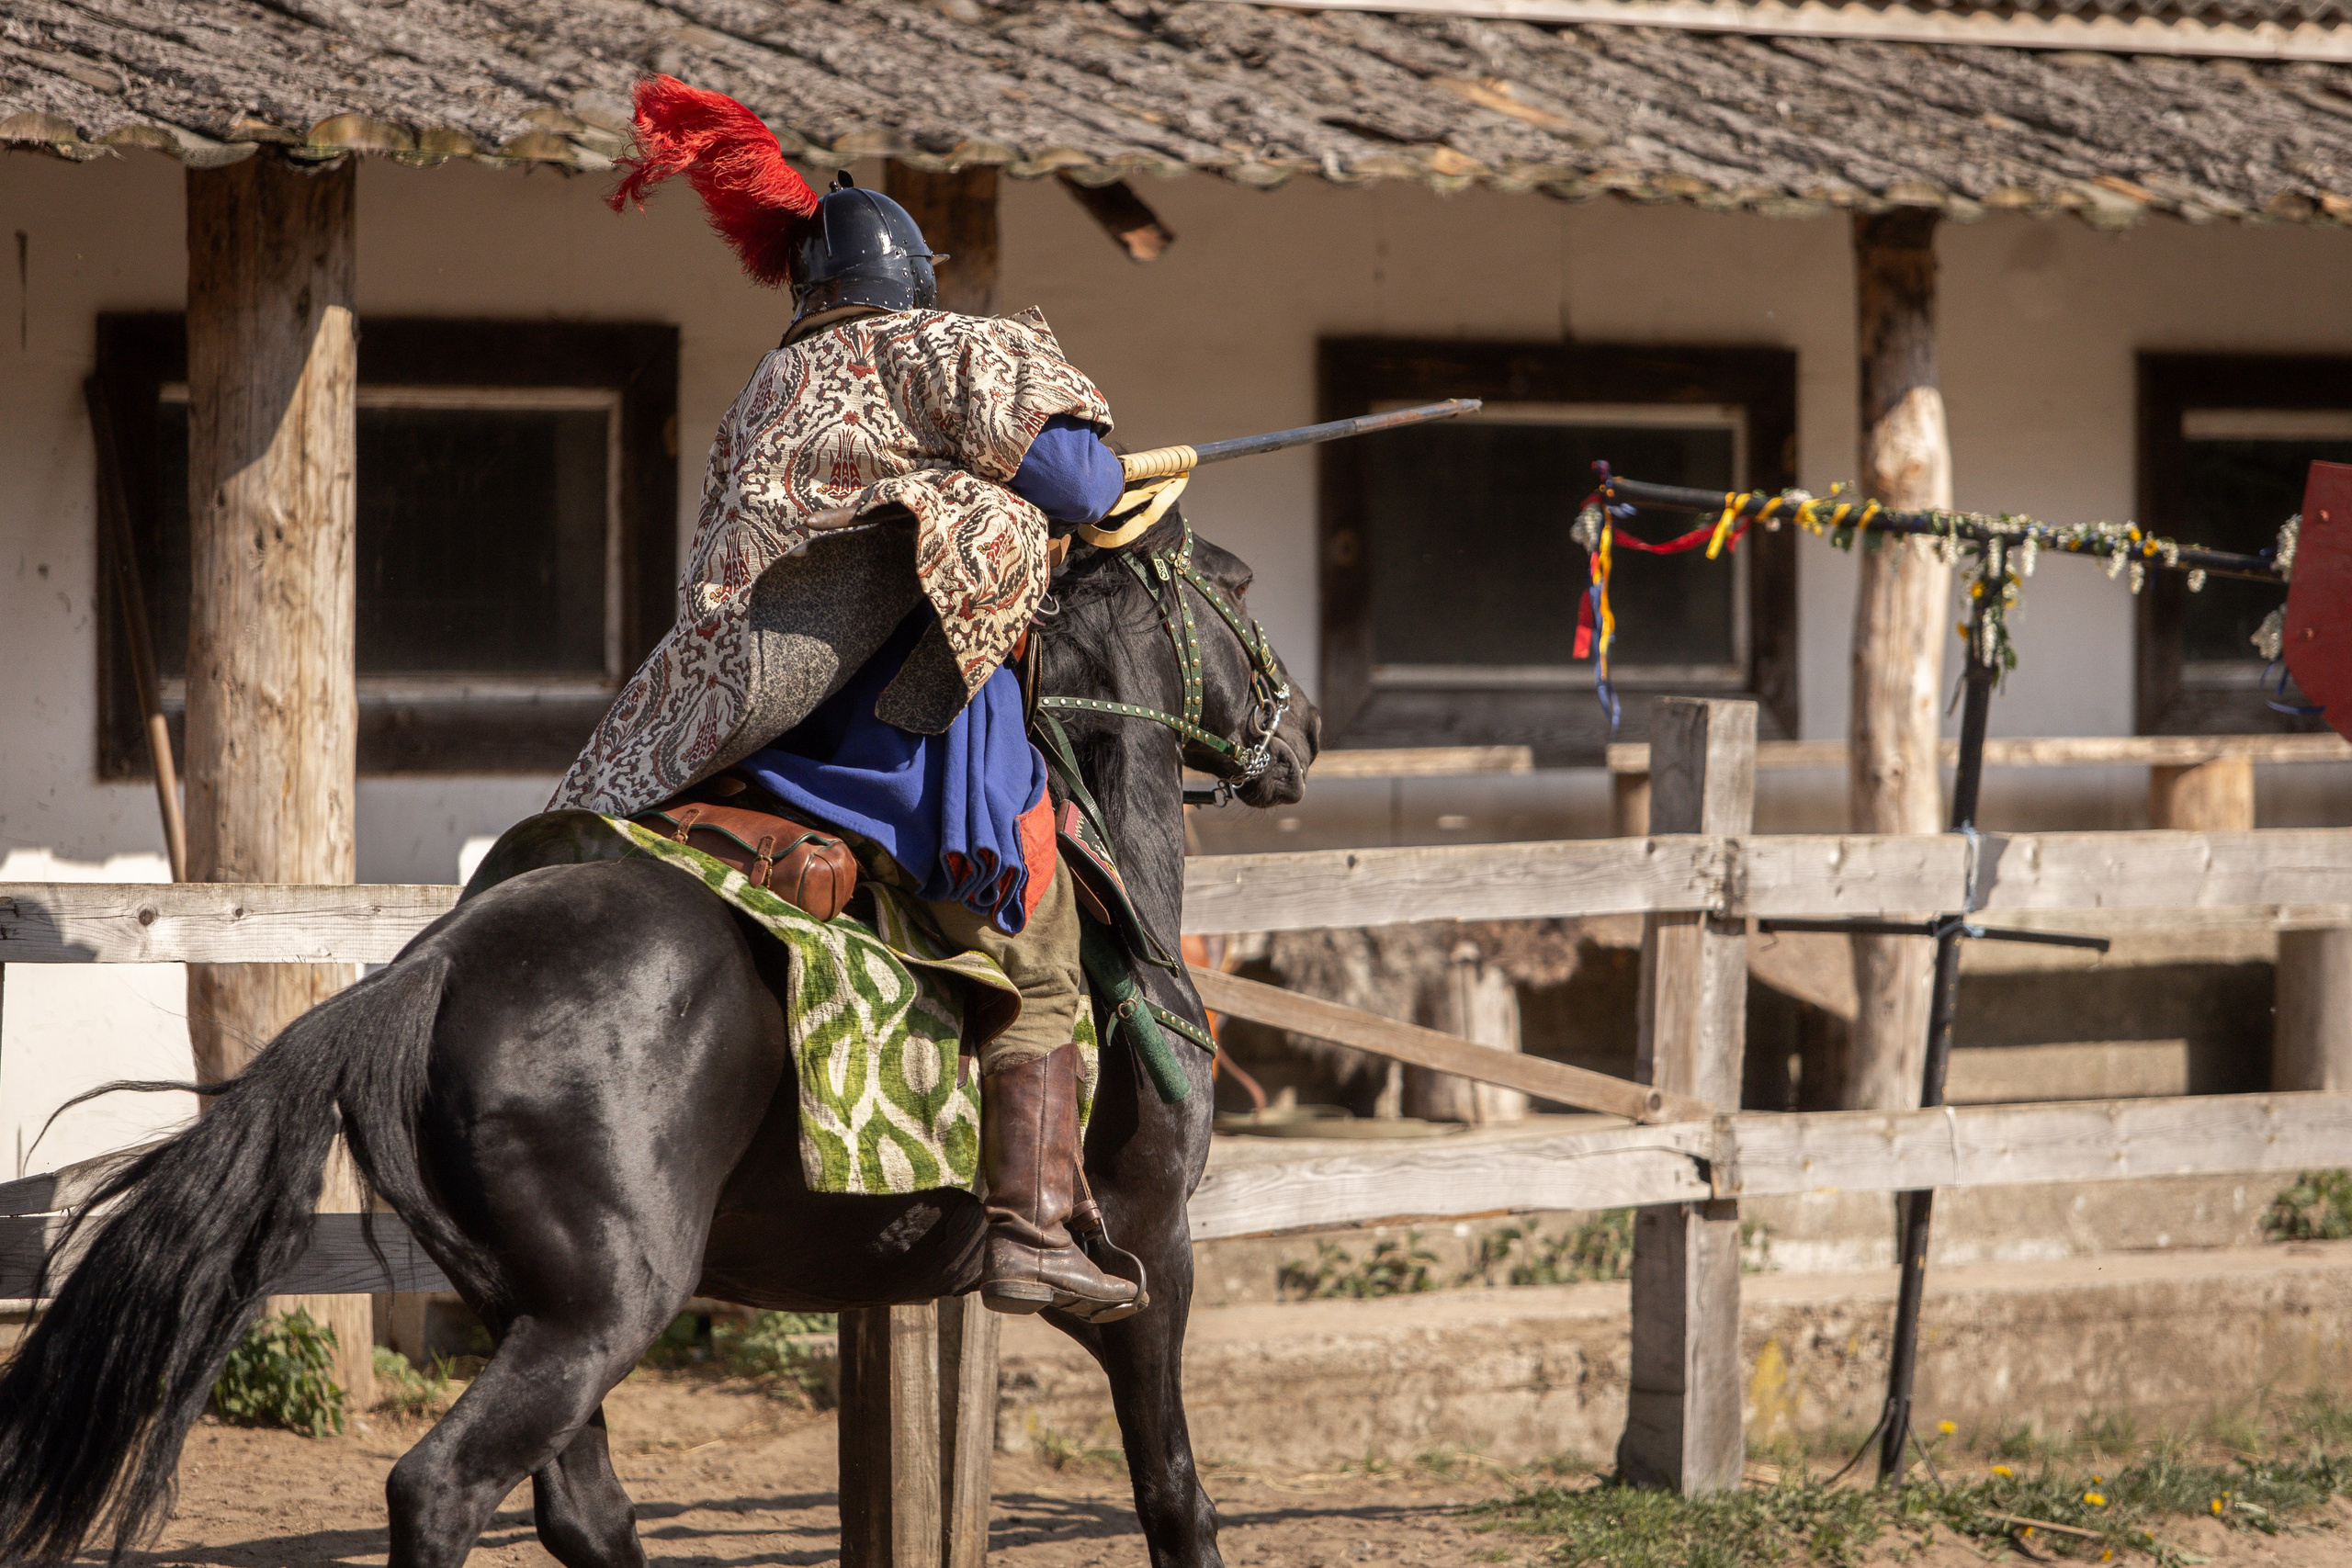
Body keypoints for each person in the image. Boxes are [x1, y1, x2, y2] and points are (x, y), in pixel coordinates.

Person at [551, 76, 1137, 1322]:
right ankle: (1031, 1228)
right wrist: (1081, 448)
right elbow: (1083, 483)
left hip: (743, 737)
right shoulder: (923, 351)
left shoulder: (764, 392)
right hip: (882, 745)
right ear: (914, 281)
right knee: (1038, 953)